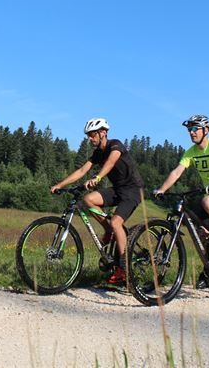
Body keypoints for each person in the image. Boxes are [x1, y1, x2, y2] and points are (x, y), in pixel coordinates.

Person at [51, 117, 144, 284]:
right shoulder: (97, 153)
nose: (90, 138)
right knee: (88, 199)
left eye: (93, 134)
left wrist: (98, 177)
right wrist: (59, 184)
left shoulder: (115, 145)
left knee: (116, 222)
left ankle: (124, 269)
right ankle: (108, 230)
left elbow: (111, 161)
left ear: (103, 133)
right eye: (88, 135)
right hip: (117, 190)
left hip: (133, 190)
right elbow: (81, 171)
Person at [153, 114, 209, 289]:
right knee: (201, 232)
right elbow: (177, 172)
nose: (191, 133)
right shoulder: (191, 152)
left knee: (207, 201)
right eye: (189, 130)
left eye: (195, 129)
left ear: (205, 130)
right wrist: (162, 189)